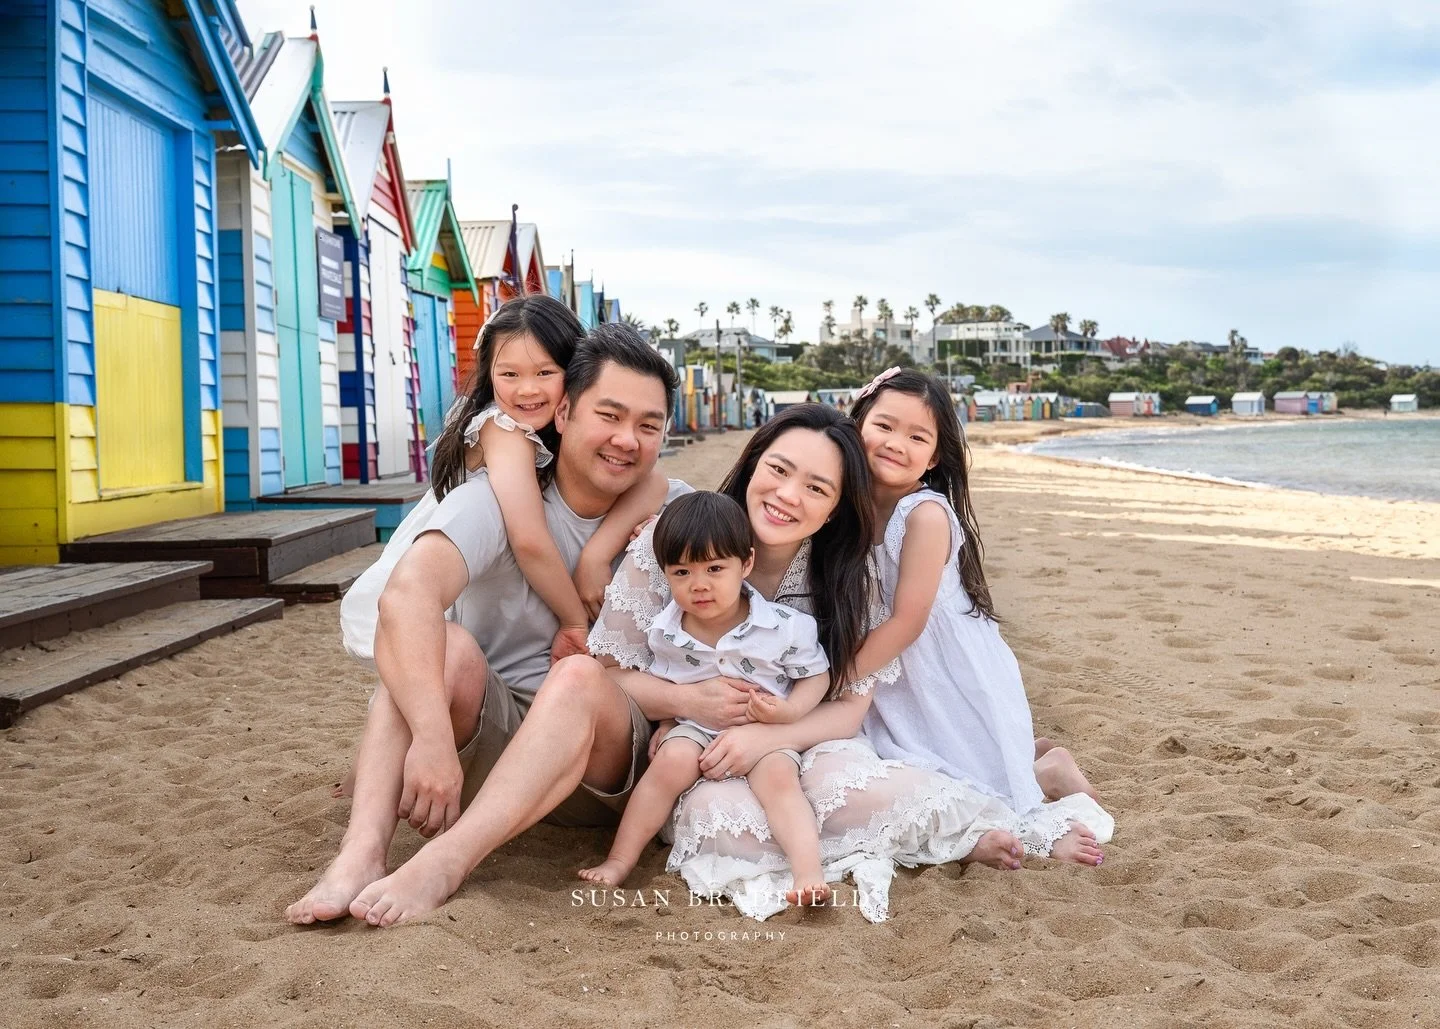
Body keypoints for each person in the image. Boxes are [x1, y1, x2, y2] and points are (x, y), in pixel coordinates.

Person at [589, 405, 1113, 922]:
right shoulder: (677, 543)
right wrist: (685, 702)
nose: (788, 496)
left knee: (860, 793)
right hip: (701, 745)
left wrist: (773, 736)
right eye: (778, 470)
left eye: (817, 488)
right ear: (753, 465)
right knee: (723, 821)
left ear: (838, 506)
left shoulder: (848, 577)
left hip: (809, 739)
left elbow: (849, 706)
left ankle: (980, 833)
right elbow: (610, 676)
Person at [286, 323, 681, 928]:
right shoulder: (499, 494)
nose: (626, 440)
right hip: (491, 744)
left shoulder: (674, 511)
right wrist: (433, 740)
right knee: (432, 641)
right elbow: (408, 595)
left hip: (602, 763)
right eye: (610, 415)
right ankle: (362, 852)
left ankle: (445, 862)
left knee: (575, 676)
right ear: (566, 409)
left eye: (648, 426)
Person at [340, 295, 668, 670]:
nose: (527, 390)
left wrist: (596, 554)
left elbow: (654, 482)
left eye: (545, 373)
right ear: (489, 374)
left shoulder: (547, 431)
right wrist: (574, 619)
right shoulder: (503, 429)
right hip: (450, 580)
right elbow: (528, 540)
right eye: (509, 375)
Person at [847, 368, 1102, 833]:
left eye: (916, 437)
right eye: (883, 426)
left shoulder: (924, 515)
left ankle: (1047, 771)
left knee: (972, 785)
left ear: (932, 458)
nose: (895, 443)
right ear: (859, 423)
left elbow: (908, 621)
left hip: (942, 664)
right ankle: (1036, 753)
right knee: (940, 754)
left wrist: (840, 676)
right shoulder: (853, 503)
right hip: (893, 662)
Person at [578, 492, 834, 905]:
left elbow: (816, 677)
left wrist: (788, 712)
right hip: (694, 728)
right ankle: (620, 860)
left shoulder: (783, 627)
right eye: (682, 572)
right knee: (666, 767)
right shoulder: (666, 630)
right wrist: (665, 724)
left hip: (764, 727)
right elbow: (666, 683)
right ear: (665, 574)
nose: (700, 585)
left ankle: (808, 873)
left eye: (716, 568)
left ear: (745, 564)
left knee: (780, 782)